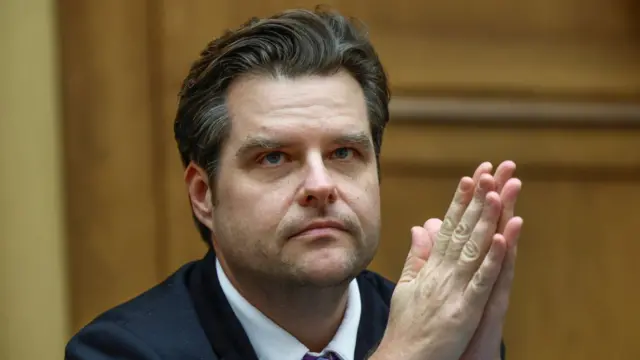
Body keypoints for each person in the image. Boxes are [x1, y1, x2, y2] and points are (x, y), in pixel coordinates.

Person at [65, 7, 522, 360]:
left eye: (344, 153)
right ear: (204, 194)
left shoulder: (445, 329)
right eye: (275, 157)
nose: (320, 185)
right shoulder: (123, 350)